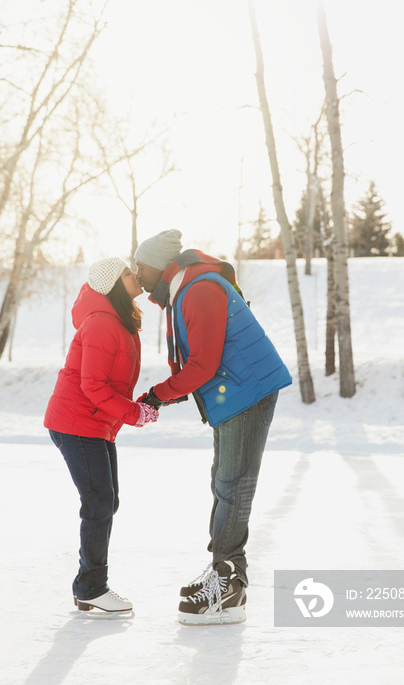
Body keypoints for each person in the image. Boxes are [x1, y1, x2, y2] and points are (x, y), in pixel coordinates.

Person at [134, 229, 292, 625]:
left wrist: (158, 393)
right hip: (233, 393)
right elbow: (201, 362)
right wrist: (170, 391)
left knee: (233, 484)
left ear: (158, 265)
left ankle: (228, 582)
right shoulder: (184, 289)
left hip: (246, 391)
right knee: (224, 482)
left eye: (140, 266)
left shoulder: (199, 289)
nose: (138, 275)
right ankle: (224, 570)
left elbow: (203, 363)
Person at [44, 257, 159, 613]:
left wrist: (136, 407)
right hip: (76, 424)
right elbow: (92, 386)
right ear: (112, 284)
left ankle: (89, 586)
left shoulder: (120, 321)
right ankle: (92, 587)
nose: (135, 276)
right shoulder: (101, 324)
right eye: (127, 273)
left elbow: (112, 383)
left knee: (106, 501)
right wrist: (133, 413)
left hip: (95, 425)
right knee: (99, 502)